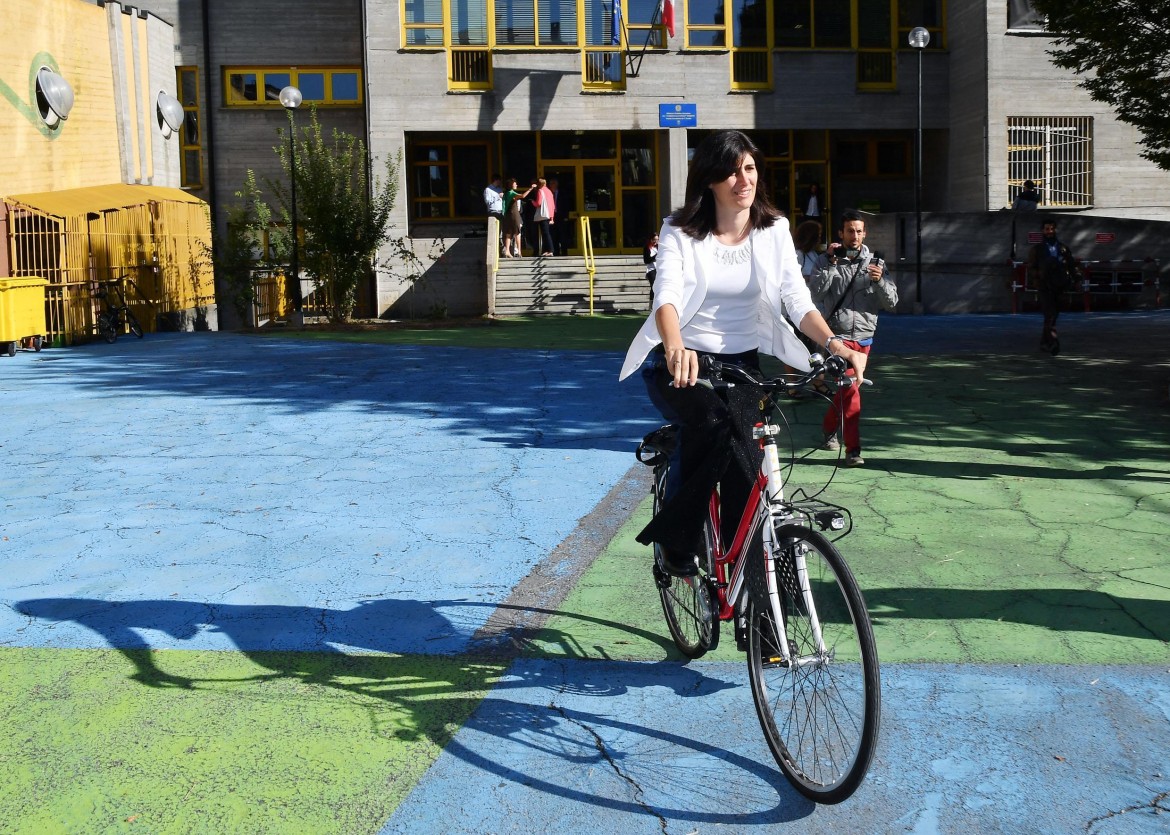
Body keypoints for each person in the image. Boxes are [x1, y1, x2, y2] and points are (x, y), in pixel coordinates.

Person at [619, 130, 867, 577]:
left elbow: (797, 299)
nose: (743, 180)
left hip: (741, 366)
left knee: (747, 470)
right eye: (731, 171)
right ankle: (679, 539)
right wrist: (675, 347)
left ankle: (753, 595)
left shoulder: (773, 230)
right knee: (712, 424)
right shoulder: (680, 230)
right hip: (680, 361)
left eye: (749, 168)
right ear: (710, 180)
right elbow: (667, 295)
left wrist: (834, 343)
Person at [808, 210, 898, 468]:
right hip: (838, 338)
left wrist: (880, 282)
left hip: (865, 338)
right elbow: (815, 294)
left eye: (859, 231)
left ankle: (828, 429)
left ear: (865, 233)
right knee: (850, 389)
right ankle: (853, 450)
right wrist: (830, 265)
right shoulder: (826, 261)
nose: (854, 236)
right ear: (840, 233)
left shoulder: (876, 263)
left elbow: (892, 302)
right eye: (849, 230)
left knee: (848, 390)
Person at [1026, 217, 1077, 355]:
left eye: (1052, 229)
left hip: (1059, 286)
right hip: (1044, 286)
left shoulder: (1063, 248)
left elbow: (1072, 265)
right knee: (1050, 314)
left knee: (1053, 315)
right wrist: (1040, 275)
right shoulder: (1037, 250)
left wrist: (1076, 279)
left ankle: (1044, 342)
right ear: (1042, 231)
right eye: (1047, 229)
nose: (1050, 231)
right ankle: (1054, 342)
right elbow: (1030, 268)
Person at [501, 177, 533, 258]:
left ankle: (507, 251)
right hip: (514, 215)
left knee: (508, 233)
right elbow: (523, 196)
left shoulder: (506, 193)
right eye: (515, 183)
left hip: (508, 215)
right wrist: (530, 189)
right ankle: (519, 251)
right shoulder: (511, 193)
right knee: (517, 232)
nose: (516, 185)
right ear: (511, 185)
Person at [531, 178, 557, 256]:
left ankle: (550, 250)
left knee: (545, 233)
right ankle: (546, 250)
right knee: (546, 233)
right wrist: (552, 217)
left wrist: (533, 202)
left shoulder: (540, 191)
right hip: (549, 214)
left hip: (543, 215)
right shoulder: (549, 191)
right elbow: (553, 205)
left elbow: (538, 203)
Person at [484, 174, 504, 252]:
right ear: (496, 180)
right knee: (494, 232)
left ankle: (500, 249)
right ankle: (494, 250)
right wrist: (498, 196)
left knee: (501, 232)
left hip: (500, 212)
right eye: (499, 181)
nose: (500, 182)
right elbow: (488, 201)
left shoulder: (500, 189)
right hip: (493, 212)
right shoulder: (488, 190)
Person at [548, 177, 568, 255]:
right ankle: (556, 252)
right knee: (553, 235)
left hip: (561, 217)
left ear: (557, 184)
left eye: (553, 183)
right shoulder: (549, 194)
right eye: (550, 184)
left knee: (562, 236)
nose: (551, 185)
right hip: (552, 217)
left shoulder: (562, 193)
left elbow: (566, 205)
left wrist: (566, 216)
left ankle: (564, 253)